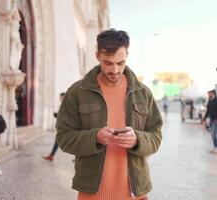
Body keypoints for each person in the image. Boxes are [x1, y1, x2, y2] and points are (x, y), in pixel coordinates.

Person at [56, 29, 163, 200]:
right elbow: (64, 138)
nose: (115, 69)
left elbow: (156, 137)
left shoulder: (143, 93)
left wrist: (137, 140)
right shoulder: (77, 92)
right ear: (97, 55)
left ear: (127, 55)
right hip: (91, 194)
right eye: (108, 63)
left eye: (120, 63)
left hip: (136, 194)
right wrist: (95, 137)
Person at [42, 92, 66, 161]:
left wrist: (57, 115)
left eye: (61, 97)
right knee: (57, 142)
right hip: (61, 127)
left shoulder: (65, 105)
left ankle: (51, 156)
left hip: (63, 128)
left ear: (64, 97)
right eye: (60, 97)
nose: (60, 99)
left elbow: (65, 116)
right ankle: (51, 156)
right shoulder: (63, 105)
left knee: (59, 142)